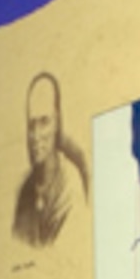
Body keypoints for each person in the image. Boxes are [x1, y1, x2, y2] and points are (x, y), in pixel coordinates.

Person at [12, 70, 88, 247]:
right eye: (32, 125)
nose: (36, 135)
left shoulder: (70, 187)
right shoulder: (24, 192)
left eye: (44, 122)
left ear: (57, 122)